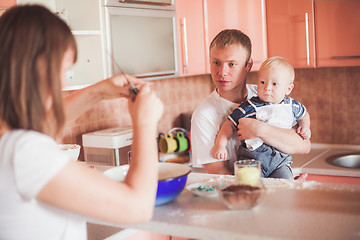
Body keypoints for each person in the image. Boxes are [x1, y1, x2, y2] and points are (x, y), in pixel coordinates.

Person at [0, 5, 164, 240]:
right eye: (64, 69)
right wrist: (145, 123)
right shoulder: (24, 152)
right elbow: (137, 208)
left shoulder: (10, 139)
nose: (64, 83)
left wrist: (99, 92)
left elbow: (41, 127)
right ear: (41, 68)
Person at [191, 29, 311, 175]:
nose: (222, 72)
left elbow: (304, 146)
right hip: (242, 192)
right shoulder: (203, 115)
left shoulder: (266, 94)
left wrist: (259, 129)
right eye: (216, 62)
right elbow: (218, 172)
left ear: (248, 66)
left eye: (232, 64)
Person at [211, 56, 311, 178]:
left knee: (285, 187)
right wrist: (220, 145)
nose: (267, 88)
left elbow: (304, 115)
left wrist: (305, 127)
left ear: (288, 89)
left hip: (280, 162)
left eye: (275, 84)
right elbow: (229, 124)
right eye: (262, 82)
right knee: (252, 189)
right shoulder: (250, 105)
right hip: (253, 161)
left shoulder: (292, 106)